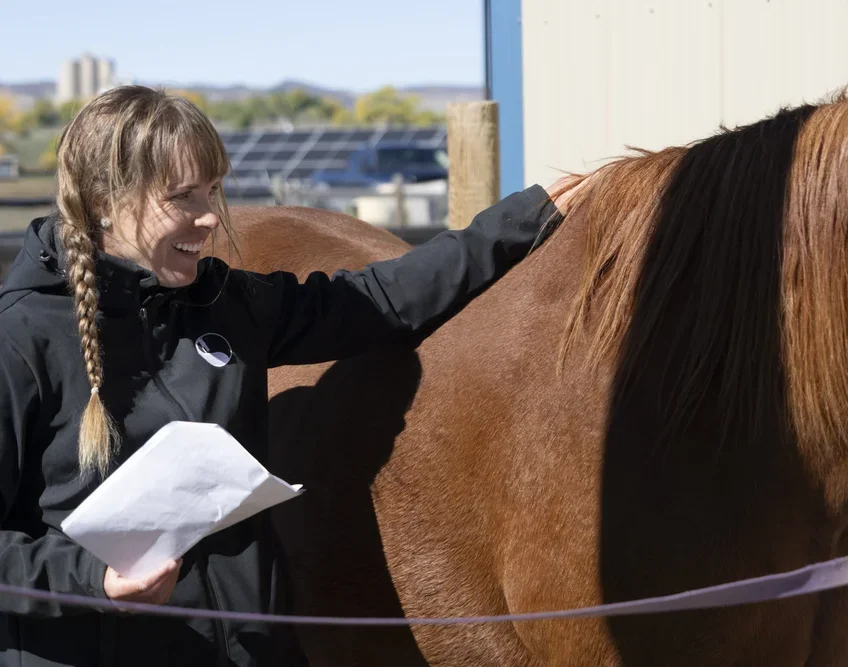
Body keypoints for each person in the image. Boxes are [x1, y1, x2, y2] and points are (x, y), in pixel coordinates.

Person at [0, 85, 583, 667]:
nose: (209, 217)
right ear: (104, 198)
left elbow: (379, 297)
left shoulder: (226, 305)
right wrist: (91, 580)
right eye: (182, 197)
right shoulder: (20, 340)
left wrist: (518, 223)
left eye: (214, 189)